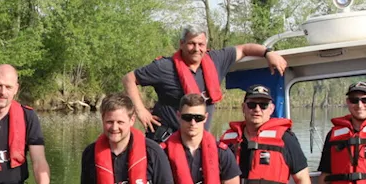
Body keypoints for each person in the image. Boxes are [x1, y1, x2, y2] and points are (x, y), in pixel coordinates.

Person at [123, 24, 288, 142]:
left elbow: (245, 49)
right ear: (181, 44)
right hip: (165, 141)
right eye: (191, 43)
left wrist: (268, 53)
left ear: (206, 45)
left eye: (200, 44)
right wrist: (140, 110)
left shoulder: (217, 59)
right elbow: (129, 78)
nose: (196, 49)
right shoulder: (164, 67)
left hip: (197, 142)